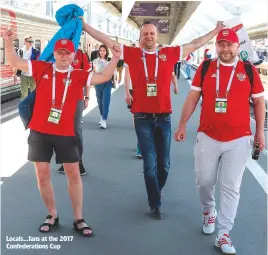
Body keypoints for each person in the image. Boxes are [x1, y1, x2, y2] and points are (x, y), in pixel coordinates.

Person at [79, 16, 225, 220]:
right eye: (145, 33)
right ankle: (155, 203)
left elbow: (195, 44)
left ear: (157, 36)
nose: (149, 36)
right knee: (149, 165)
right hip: (142, 118)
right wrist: (85, 25)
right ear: (140, 37)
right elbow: (105, 39)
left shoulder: (169, 53)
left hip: (164, 118)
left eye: (152, 33)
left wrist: (216, 30)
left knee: (164, 165)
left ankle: (156, 189)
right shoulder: (132, 54)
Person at [4, 28, 121, 236]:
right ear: (55, 54)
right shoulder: (42, 68)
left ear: (74, 55)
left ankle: (79, 218)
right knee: (42, 176)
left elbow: (104, 76)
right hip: (40, 131)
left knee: (74, 174)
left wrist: (116, 58)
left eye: (68, 53)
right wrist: (8, 40)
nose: (64, 56)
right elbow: (14, 62)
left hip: (66, 133)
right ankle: (52, 214)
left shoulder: (78, 75)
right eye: (60, 52)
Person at [174, 28, 265, 254]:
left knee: (231, 186)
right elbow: (192, 98)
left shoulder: (249, 71)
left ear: (237, 46)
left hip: (240, 138)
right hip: (208, 134)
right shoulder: (205, 68)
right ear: (217, 46)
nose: (225, 48)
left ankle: (224, 233)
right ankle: (209, 211)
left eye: (229, 44)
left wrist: (260, 133)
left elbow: (259, 103)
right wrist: (182, 124)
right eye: (221, 44)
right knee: (204, 181)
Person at [57, 43, 91, 175]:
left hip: (76, 98)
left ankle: (79, 161)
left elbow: (87, 78)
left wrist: (87, 96)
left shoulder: (81, 55)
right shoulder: (59, 53)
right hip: (59, 100)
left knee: (76, 130)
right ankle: (66, 160)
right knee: (61, 130)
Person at [92, 44, 115, 129]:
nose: (102, 52)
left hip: (107, 82)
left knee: (106, 100)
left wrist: (114, 80)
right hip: (98, 82)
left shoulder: (110, 61)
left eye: (104, 50)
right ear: (99, 51)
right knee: (99, 100)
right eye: (100, 50)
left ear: (106, 52)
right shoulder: (95, 61)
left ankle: (104, 119)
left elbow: (113, 72)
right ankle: (102, 116)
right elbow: (94, 72)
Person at [14, 35, 40, 99]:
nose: (31, 43)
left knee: (33, 93)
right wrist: (14, 75)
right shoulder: (20, 51)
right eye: (29, 41)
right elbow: (17, 63)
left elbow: (39, 64)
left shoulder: (36, 52)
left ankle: (32, 107)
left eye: (32, 41)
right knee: (24, 94)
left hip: (33, 75)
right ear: (25, 41)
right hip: (23, 75)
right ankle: (23, 108)